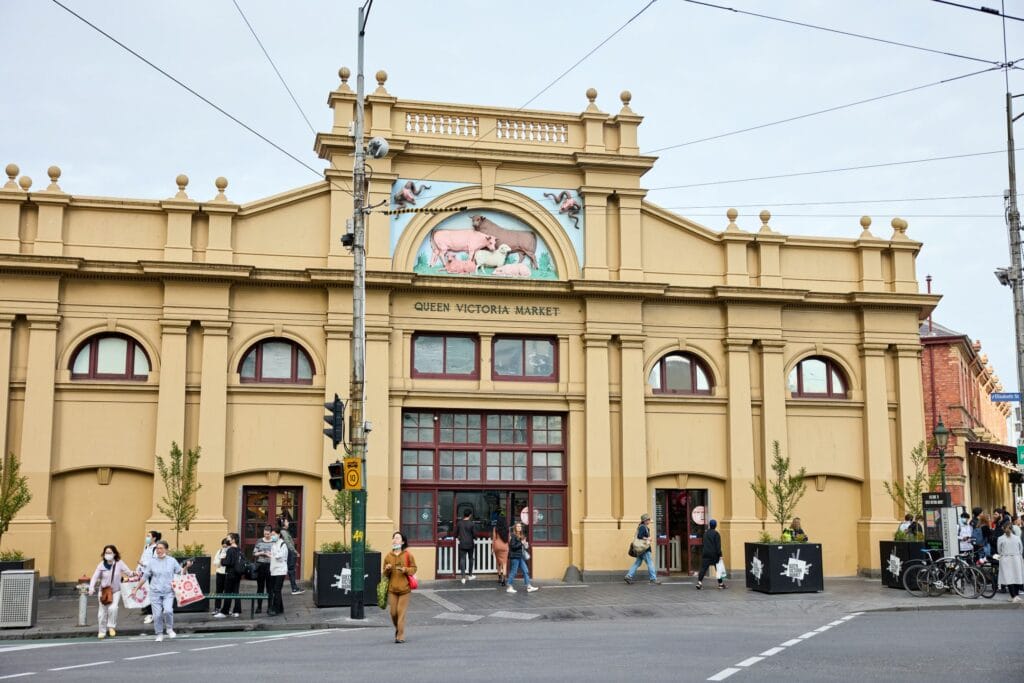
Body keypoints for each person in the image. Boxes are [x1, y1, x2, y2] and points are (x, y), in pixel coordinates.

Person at [136, 540, 191, 642]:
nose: (159, 550)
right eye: (157, 548)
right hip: (155, 592)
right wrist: (136, 588)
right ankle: (159, 633)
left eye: (161, 548)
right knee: (157, 615)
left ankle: (169, 629)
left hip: (168, 591)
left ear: (166, 549)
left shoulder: (172, 560)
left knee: (168, 611)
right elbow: (145, 576)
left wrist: (186, 567)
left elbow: (180, 572)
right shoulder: (152, 562)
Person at [87, 545, 131, 639]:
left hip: (115, 591)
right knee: (102, 612)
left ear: (114, 554)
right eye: (106, 552)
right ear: (104, 554)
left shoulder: (119, 563)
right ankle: (102, 631)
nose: (108, 554)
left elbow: (128, 572)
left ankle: (111, 627)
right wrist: (91, 588)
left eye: (110, 552)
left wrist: (135, 573)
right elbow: (94, 577)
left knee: (113, 608)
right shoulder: (101, 565)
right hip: (103, 591)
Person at [382, 531, 416, 644]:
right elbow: (384, 575)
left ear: (402, 542)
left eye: (397, 538)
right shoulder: (388, 556)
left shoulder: (408, 555)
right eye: (394, 538)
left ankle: (400, 636)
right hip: (392, 589)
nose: (395, 539)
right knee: (393, 613)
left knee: (401, 613)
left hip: (405, 589)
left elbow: (414, 569)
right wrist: (387, 569)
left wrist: (405, 569)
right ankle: (398, 629)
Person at [624, 513, 658, 585]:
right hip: (644, 549)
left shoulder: (642, 527)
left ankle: (628, 576)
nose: (649, 521)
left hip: (641, 549)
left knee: (637, 563)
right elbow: (640, 536)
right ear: (645, 520)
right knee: (650, 563)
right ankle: (653, 579)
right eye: (648, 519)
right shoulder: (643, 527)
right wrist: (647, 538)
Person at [216, 533, 243, 618]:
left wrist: (222, 559)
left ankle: (225, 611)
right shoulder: (239, 549)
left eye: (228, 538)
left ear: (233, 540)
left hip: (230, 573)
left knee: (228, 592)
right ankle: (237, 611)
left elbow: (227, 562)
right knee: (236, 592)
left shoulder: (230, 550)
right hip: (238, 574)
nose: (227, 540)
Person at [507, 521, 539, 593]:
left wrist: (525, 544)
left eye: (520, 526)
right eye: (518, 526)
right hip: (515, 557)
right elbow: (513, 546)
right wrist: (521, 543)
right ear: (515, 528)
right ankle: (509, 586)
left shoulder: (521, 535)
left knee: (525, 570)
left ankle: (529, 586)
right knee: (514, 572)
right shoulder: (513, 536)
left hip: (520, 556)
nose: (519, 528)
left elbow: (522, 546)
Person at [137, 530, 161, 625]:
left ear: (154, 538)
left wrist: (144, 564)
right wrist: (138, 569)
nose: (147, 538)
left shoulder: (156, 548)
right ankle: (149, 613)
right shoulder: (146, 546)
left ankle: (152, 614)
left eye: (148, 536)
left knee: (152, 594)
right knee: (146, 594)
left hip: (151, 574)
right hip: (144, 573)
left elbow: (155, 561)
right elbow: (142, 558)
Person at [996, 522, 1023, 603]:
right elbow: (1021, 548)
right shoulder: (1017, 537)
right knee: (1017, 576)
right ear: (1012, 529)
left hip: (1006, 558)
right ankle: (1016, 596)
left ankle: (1013, 596)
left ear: (1003, 529)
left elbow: (999, 550)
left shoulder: (1000, 538)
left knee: (1009, 577)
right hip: (1016, 558)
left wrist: (1003, 554)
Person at [696, 519, 726, 590]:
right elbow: (718, 546)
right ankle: (720, 584)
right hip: (714, 554)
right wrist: (720, 555)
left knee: (703, 568)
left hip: (706, 553)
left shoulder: (705, 533)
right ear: (715, 525)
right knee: (718, 569)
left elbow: (703, 543)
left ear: (709, 525)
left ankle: (699, 583)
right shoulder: (716, 534)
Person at [279, 516, 304, 594]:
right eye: (287, 521)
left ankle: (294, 588)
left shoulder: (284, 531)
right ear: (283, 523)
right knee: (291, 570)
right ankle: (294, 588)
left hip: (289, 552)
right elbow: (288, 542)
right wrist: (295, 552)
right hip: (289, 552)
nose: (288, 523)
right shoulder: (283, 532)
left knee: (291, 570)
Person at [253, 524, 274, 614]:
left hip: (270, 566)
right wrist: (262, 552)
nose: (266, 535)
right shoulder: (259, 541)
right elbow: (254, 553)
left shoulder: (274, 542)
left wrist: (270, 554)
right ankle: (259, 607)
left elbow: (276, 554)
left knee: (270, 588)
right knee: (260, 587)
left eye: (268, 534)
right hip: (261, 565)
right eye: (265, 534)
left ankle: (269, 607)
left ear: (271, 534)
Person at [268, 527, 289, 616]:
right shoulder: (273, 544)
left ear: (278, 534)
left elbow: (280, 556)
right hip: (273, 570)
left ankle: (276, 608)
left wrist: (272, 555)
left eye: (273, 535)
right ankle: (280, 608)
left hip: (281, 570)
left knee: (277, 589)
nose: (272, 536)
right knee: (275, 590)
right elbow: (273, 556)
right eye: (271, 535)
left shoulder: (282, 544)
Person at [455, 509, 476, 584]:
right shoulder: (472, 524)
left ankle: (463, 577)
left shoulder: (459, 523)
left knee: (462, 559)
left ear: (464, 514)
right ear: (470, 515)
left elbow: (456, 533)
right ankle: (470, 575)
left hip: (462, 543)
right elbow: (474, 535)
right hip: (470, 543)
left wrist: (457, 537)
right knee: (470, 559)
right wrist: (474, 537)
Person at [211, 537, 229, 616]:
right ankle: (217, 608)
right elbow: (215, 562)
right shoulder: (220, 551)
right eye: (223, 546)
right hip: (219, 573)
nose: (224, 548)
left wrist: (224, 561)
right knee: (218, 591)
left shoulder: (230, 552)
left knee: (227, 592)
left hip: (227, 574)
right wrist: (220, 561)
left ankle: (225, 609)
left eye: (226, 546)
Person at [492, 514, 510, 586]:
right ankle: (504, 580)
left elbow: (494, 539)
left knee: (498, 562)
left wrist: (492, 548)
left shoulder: (495, 528)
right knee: (504, 563)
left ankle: (499, 577)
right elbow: (508, 539)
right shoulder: (507, 529)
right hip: (504, 547)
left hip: (497, 546)